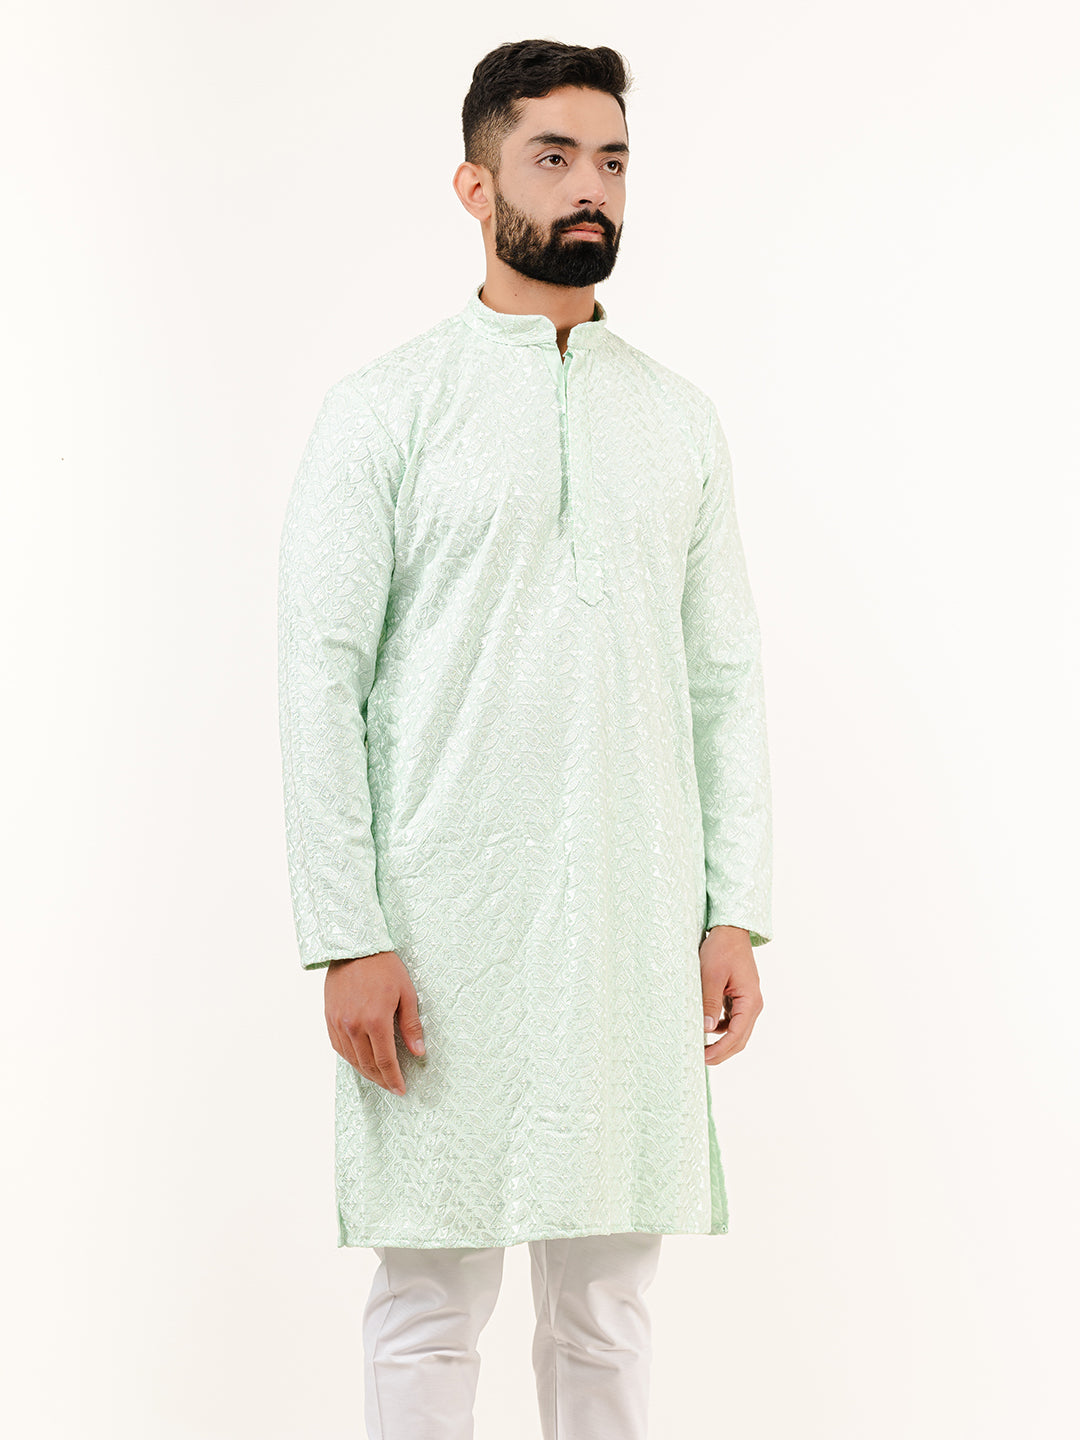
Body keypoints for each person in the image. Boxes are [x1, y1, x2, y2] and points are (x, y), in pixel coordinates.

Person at [276, 37, 773, 1440]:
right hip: (439, 932)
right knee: (431, 1303)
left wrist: (733, 912)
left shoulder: (677, 421)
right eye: (552, 157)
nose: (589, 187)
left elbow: (724, 681)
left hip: (628, 926)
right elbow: (319, 680)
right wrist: (346, 932)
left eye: (610, 159)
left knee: (607, 1305)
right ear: (474, 184)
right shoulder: (388, 409)